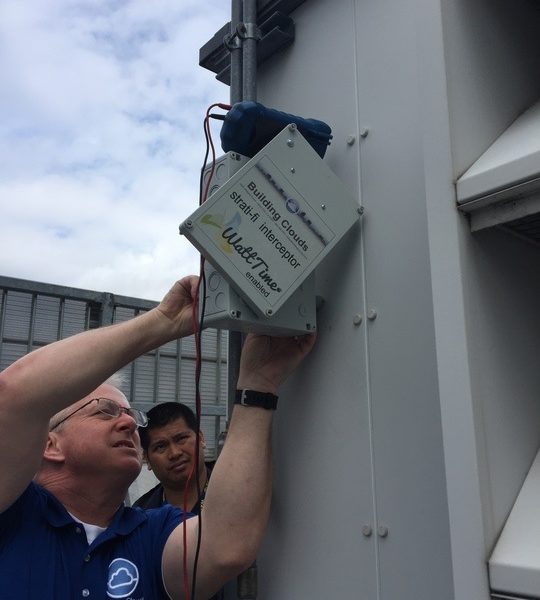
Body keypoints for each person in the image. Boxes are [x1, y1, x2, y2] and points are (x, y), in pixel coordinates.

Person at [0, 276, 316, 600]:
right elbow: (15, 396)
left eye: (130, 415)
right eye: (105, 411)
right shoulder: (14, 513)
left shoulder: (153, 531)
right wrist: (163, 322)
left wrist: (258, 383)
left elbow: (225, 546)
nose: (128, 423)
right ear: (49, 444)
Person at [134, 402, 212, 513]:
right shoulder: (141, 515)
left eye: (181, 439)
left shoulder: (236, 490)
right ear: (147, 459)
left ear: (201, 438)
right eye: (161, 446)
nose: (175, 453)